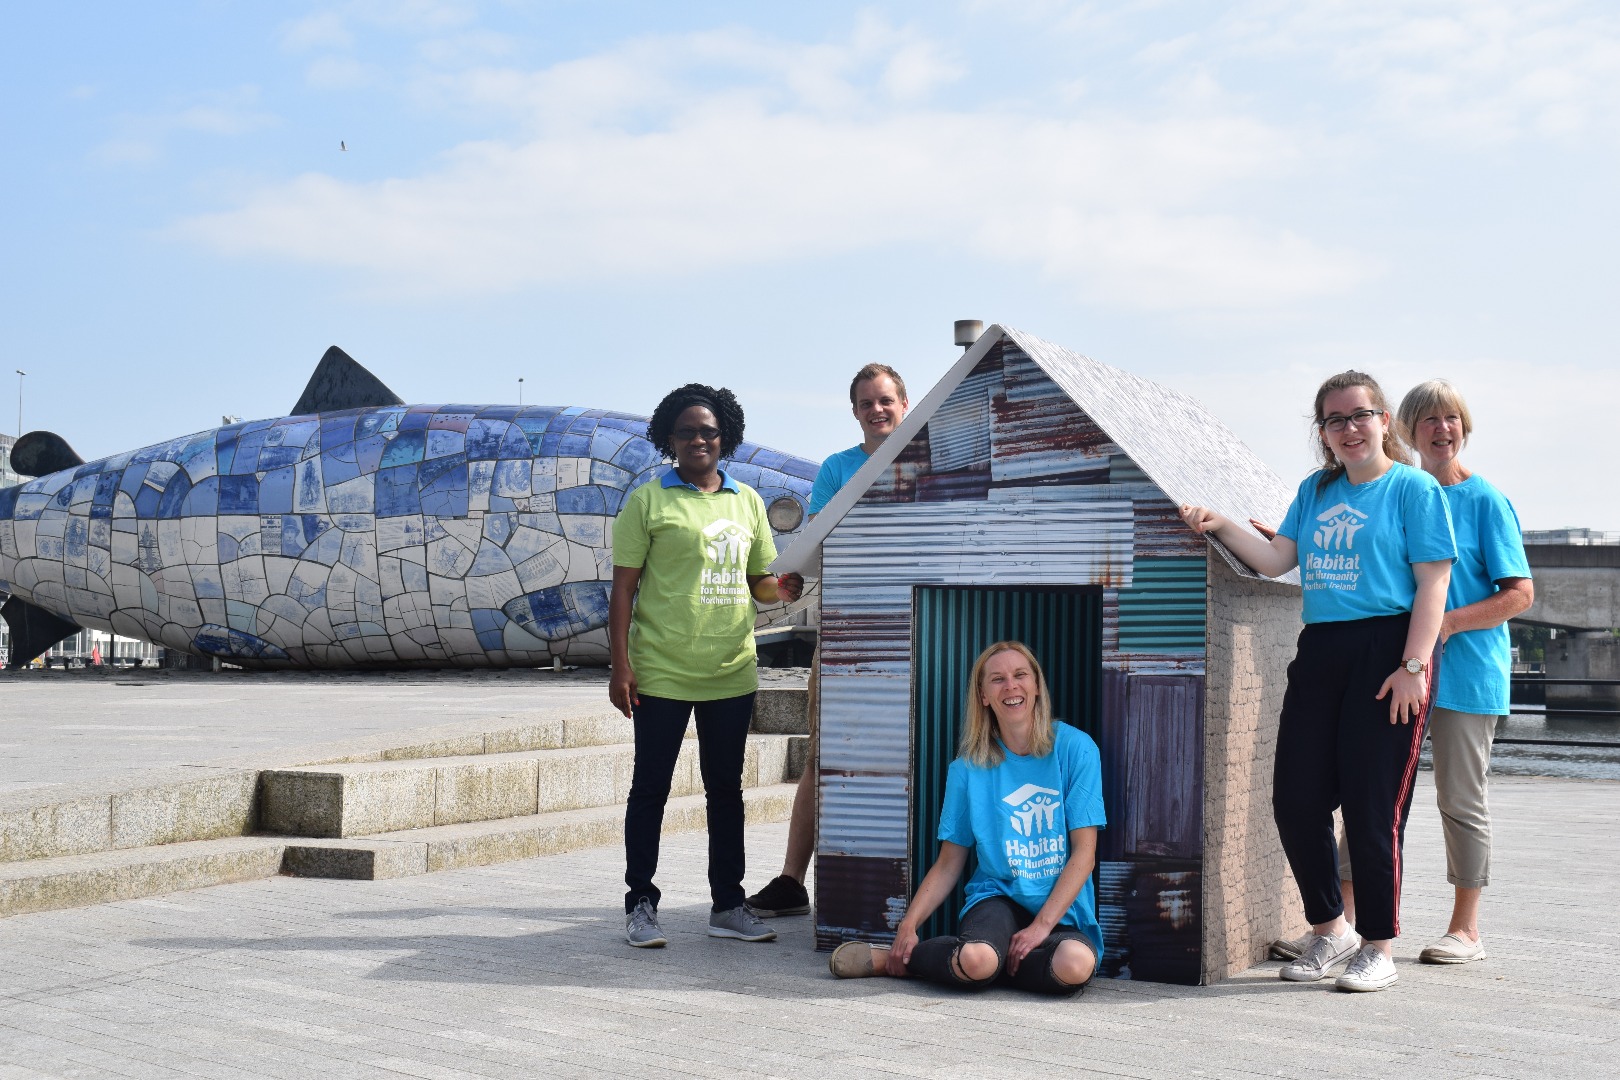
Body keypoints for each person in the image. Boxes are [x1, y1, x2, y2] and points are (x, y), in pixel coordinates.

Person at [1180, 370, 1455, 993]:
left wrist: (1414, 666)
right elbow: (1279, 560)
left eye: (1359, 415)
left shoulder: (1412, 489)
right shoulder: (1315, 490)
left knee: (1371, 806)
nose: (1348, 429)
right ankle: (1332, 929)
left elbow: (1434, 583)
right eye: (1334, 421)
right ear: (1323, 433)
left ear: (1385, 420)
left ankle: (1378, 944)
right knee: (1296, 798)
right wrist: (1221, 524)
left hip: (1389, 649)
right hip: (1321, 647)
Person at [610, 382, 802, 948]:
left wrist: (782, 588)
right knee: (651, 789)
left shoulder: (746, 501)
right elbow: (623, 591)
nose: (700, 439)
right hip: (661, 670)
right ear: (670, 438)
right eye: (688, 431)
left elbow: (759, 584)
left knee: (726, 792)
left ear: (726, 438)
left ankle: (728, 905)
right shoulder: (648, 501)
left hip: (729, 670)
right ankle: (640, 904)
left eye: (710, 432)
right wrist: (620, 666)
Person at [826, 641, 1104, 995]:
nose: (1011, 686)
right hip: (997, 898)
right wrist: (908, 926)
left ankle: (970, 967)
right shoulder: (967, 769)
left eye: (1020, 675)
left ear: (1036, 685)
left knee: (1075, 966)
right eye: (997, 679)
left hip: (1062, 909)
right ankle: (915, 961)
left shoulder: (1076, 749)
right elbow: (949, 863)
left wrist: (1040, 927)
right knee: (977, 960)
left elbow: (1085, 853)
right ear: (984, 695)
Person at [744, 363, 909, 918]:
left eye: (886, 400)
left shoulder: (927, 457)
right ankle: (793, 879)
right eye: (867, 403)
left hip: (917, 631)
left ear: (905, 404)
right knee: (824, 755)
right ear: (856, 411)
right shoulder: (838, 468)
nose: (877, 410)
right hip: (848, 631)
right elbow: (823, 539)